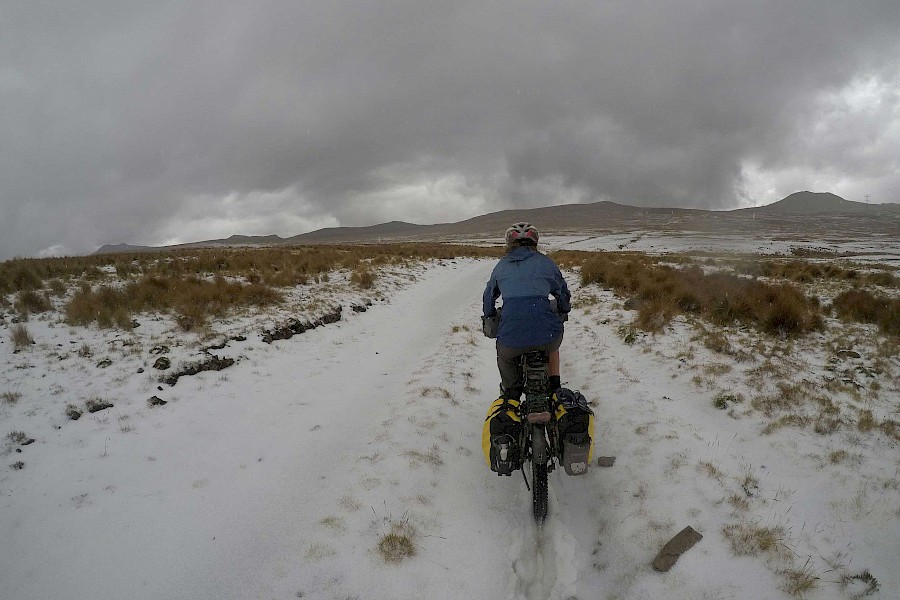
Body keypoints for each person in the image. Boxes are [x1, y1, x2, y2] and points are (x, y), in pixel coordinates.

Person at [482, 222, 571, 400]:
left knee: (504, 355)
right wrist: (562, 310)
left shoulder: (501, 266)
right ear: (535, 242)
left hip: (511, 342)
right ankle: (555, 385)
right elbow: (563, 294)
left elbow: (488, 298)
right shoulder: (547, 263)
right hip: (548, 339)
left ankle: (511, 392)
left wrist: (490, 317)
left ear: (509, 243)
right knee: (553, 338)